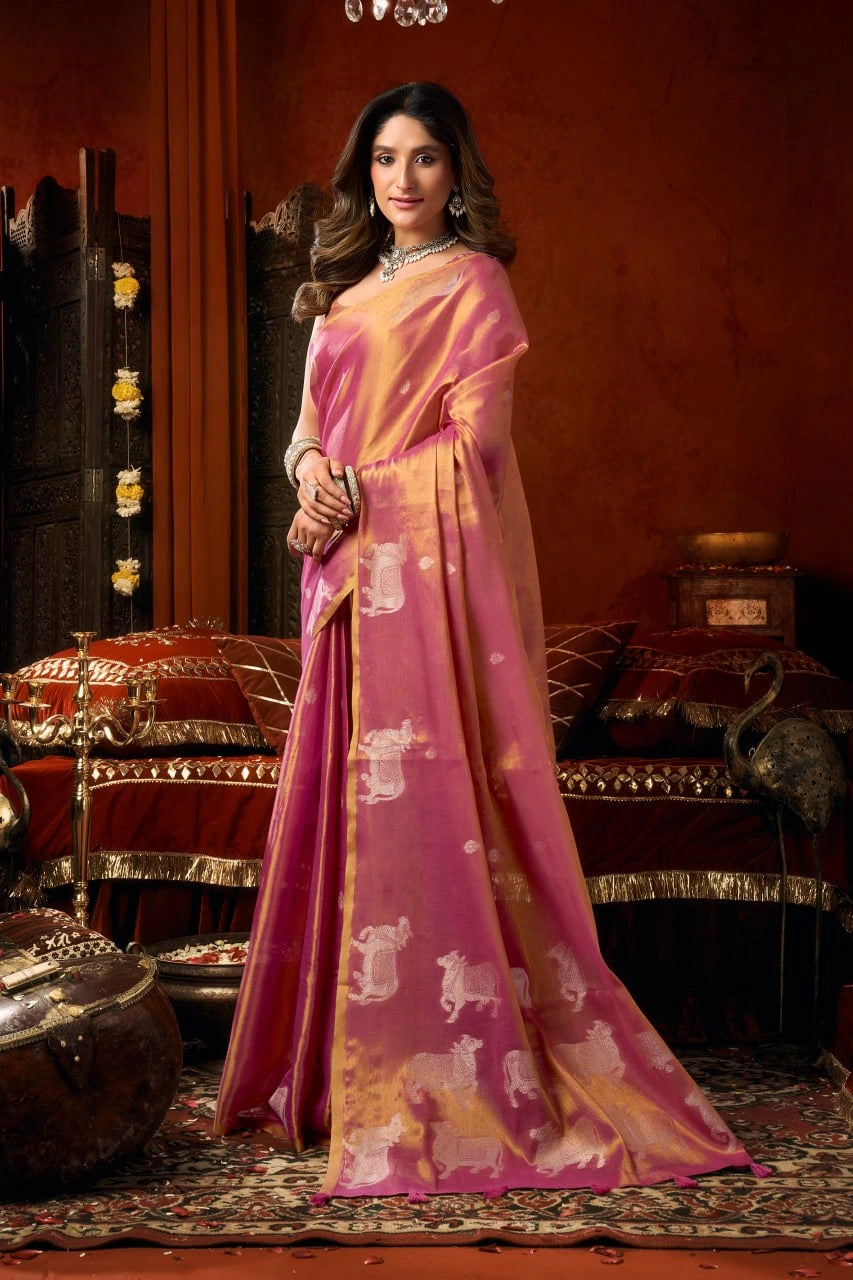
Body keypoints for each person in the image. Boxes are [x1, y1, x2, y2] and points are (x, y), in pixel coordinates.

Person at [215, 82, 758, 1199]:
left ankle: (439, 1078)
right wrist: (312, 479)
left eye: (423, 159)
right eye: (384, 160)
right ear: (362, 173)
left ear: (457, 173)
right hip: (346, 596)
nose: (401, 181)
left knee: (425, 815)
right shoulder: (337, 294)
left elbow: (478, 456)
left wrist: (357, 490)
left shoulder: (474, 286)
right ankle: (325, 1073)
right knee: (332, 805)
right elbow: (302, 434)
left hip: (413, 586)